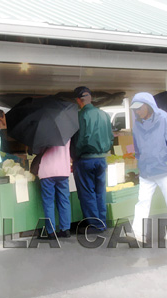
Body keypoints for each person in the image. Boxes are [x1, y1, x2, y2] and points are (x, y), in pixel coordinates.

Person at [130, 92, 167, 242]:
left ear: (148, 106)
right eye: (134, 109)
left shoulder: (163, 119)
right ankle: (138, 233)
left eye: (139, 108)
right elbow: (137, 147)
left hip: (165, 169)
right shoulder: (137, 124)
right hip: (146, 169)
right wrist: (139, 162)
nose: (137, 111)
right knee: (142, 201)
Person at [71, 86, 114, 233]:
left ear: (78, 100)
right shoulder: (105, 115)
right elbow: (111, 138)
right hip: (102, 158)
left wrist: (74, 156)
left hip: (85, 159)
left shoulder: (80, 116)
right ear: (90, 97)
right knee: (100, 191)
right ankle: (102, 222)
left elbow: (80, 139)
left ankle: (95, 225)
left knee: (87, 193)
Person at [37, 141, 72, 238]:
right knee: (64, 200)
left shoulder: (44, 134)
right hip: (63, 170)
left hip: (47, 170)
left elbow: (38, 150)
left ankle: (51, 232)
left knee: (48, 202)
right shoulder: (66, 132)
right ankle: (65, 229)